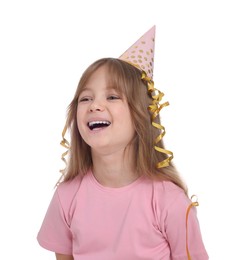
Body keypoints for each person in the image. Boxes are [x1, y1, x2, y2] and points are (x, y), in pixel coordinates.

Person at [37, 26, 209, 260]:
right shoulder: (67, 197)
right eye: (85, 98)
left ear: (140, 115)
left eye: (112, 96)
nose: (94, 105)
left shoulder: (170, 203)